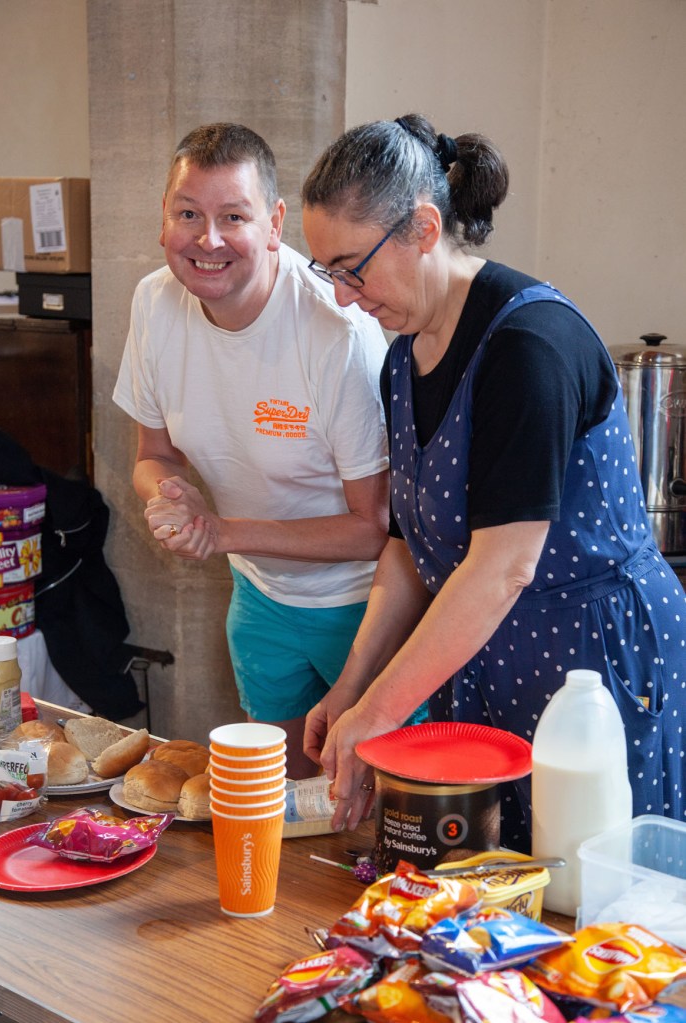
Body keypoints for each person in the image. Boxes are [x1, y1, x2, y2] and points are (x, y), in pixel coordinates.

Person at [300, 113, 686, 848]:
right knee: (496, 879)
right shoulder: (403, 358)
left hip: (596, 667)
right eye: (329, 273)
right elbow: (408, 546)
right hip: (486, 656)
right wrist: (351, 688)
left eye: (352, 267)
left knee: (594, 880)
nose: (345, 297)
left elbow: (503, 566)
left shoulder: (529, 346)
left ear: (421, 228)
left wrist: (380, 711)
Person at [113, 123, 392, 777]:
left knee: (373, 803)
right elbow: (153, 454)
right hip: (260, 595)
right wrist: (169, 496)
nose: (207, 240)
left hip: (363, 604)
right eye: (188, 214)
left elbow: (374, 527)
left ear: (273, 224)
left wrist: (221, 532)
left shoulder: (335, 331)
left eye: (232, 217)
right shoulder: (154, 303)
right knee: (277, 800)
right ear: (163, 217)